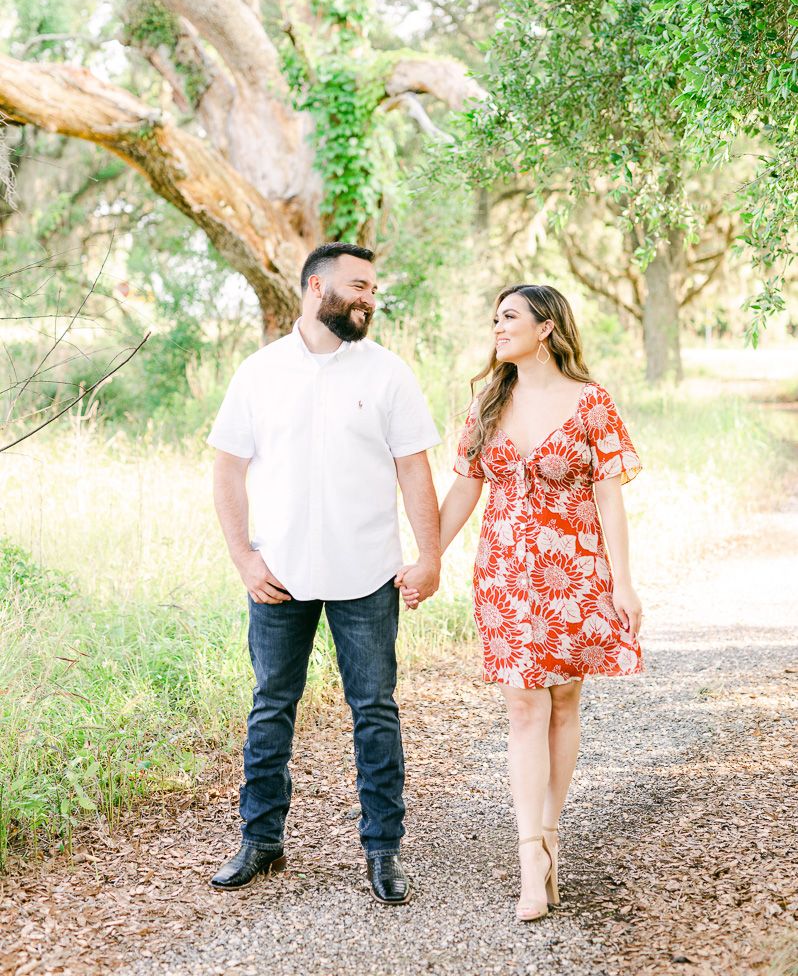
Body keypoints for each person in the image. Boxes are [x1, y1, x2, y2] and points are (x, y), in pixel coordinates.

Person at [207, 243, 441, 904]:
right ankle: (261, 842)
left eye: (372, 288)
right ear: (317, 287)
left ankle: (383, 852)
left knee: (373, 710)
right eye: (359, 286)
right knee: (271, 706)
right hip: (277, 574)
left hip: (367, 573)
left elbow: (414, 468)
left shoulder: (388, 374)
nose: (370, 298)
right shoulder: (259, 373)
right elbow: (227, 469)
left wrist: (430, 556)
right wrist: (244, 558)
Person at [403, 284, 643, 922]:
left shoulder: (591, 403)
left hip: (576, 573)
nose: (497, 327)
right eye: (495, 318)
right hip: (506, 574)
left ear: (547, 328)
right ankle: (529, 857)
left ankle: (550, 834)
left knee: (565, 699)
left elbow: (610, 497)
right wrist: (429, 556)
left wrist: (623, 582)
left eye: (509, 317)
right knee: (523, 706)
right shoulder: (488, 401)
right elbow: (464, 488)